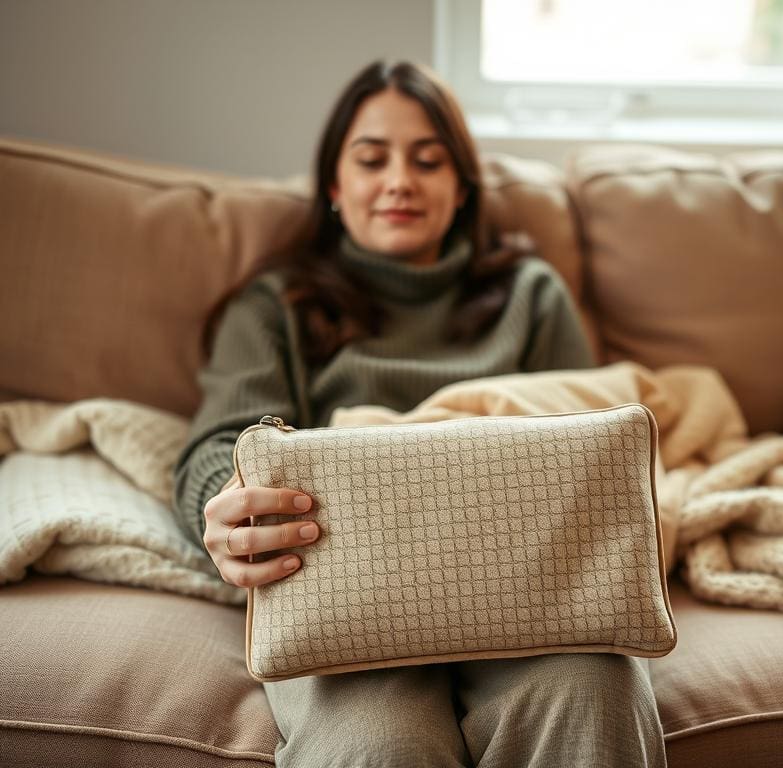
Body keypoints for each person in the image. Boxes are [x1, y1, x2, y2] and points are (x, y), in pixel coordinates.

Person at [174, 59, 666, 768]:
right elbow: (223, 442)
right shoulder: (278, 304)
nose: (400, 180)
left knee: (594, 693)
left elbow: (586, 437)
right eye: (372, 159)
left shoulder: (530, 294)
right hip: (341, 598)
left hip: (535, 594)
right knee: (381, 746)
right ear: (336, 187)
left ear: (462, 187)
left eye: (428, 161)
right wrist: (226, 508)